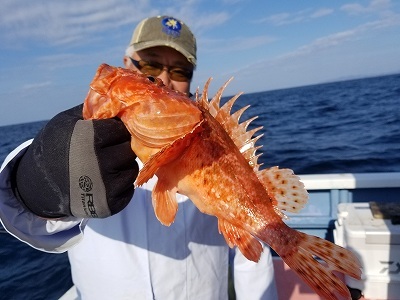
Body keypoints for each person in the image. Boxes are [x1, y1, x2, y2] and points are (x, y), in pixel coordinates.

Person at [0, 16, 278, 299]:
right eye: (150, 68)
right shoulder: (79, 138)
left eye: (181, 70)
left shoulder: (219, 147)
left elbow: (253, 254)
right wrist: (38, 184)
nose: (167, 79)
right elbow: (21, 220)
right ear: (126, 62)